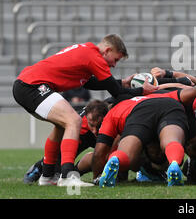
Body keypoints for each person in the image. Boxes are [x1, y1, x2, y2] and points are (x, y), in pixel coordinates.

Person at [12, 34, 157, 187]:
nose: (114, 65)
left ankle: (47, 176)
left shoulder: (87, 51)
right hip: (33, 86)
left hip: (27, 84)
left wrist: (121, 82)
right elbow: (117, 93)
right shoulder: (94, 58)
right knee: (73, 120)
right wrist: (142, 91)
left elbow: (89, 83)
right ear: (107, 50)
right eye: (115, 59)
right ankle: (67, 176)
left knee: (61, 126)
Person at [92, 80, 196, 187]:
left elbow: (99, 152)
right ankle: (173, 162)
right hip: (168, 104)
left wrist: (96, 176)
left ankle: (118, 159)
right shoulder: (161, 94)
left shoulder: (113, 113)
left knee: (127, 155)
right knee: (172, 141)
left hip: (137, 113)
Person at [22, 99, 109, 184]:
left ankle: (75, 173)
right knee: (62, 159)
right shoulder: (80, 125)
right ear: (87, 118)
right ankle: (39, 167)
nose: (94, 130)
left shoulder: (111, 115)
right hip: (84, 135)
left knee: (106, 155)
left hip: (103, 132)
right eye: (92, 125)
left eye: (98, 125)